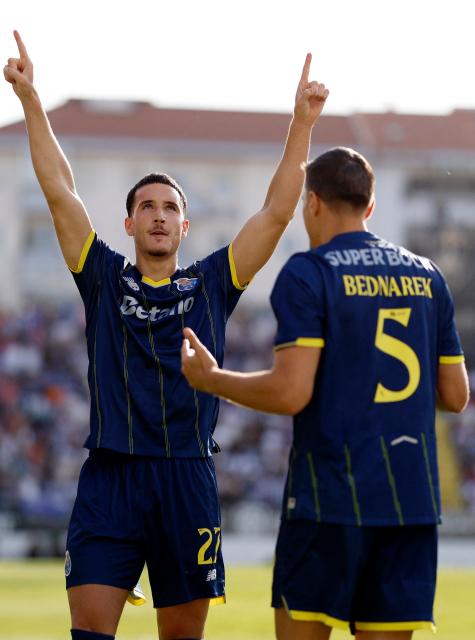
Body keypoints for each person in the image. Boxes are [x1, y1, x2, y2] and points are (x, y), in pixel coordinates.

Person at [3, 29, 328, 640]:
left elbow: (277, 213)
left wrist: (302, 124)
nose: (157, 214)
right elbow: (60, 193)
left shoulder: (213, 283)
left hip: (186, 477)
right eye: (146, 206)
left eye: (169, 207)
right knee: (90, 632)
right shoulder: (101, 277)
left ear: (184, 224)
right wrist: (30, 101)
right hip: (110, 477)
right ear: (128, 222)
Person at [181, 146, 470, 640]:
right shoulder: (428, 275)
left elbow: (292, 392)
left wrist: (212, 380)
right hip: (410, 500)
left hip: (330, 495)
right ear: (370, 206)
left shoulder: (309, 272)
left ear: (311, 202)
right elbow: (455, 394)